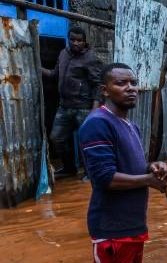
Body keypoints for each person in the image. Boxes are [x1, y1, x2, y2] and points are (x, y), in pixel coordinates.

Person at [79, 63, 167, 263]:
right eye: (121, 83)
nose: (131, 88)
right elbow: (105, 179)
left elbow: (135, 166)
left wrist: (153, 167)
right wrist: (149, 181)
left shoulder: (132, 125)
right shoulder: (97, 124)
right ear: (104, 90)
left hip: (133, 224)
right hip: (111, 229)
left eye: (134, 83)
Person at [43, 26, 102, 178]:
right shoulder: (63, 54)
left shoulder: (91, 58)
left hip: (83, 107)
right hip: (64, 106)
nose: (76, 43)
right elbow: (55, 74)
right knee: (56, 138)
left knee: (87, 142)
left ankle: (91, 172)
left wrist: (94, 109)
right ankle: (70, 168)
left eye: (79, 40)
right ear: (68, 40)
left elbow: (98, 84)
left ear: (84, 42)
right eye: (73, 40)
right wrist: (38, 68)